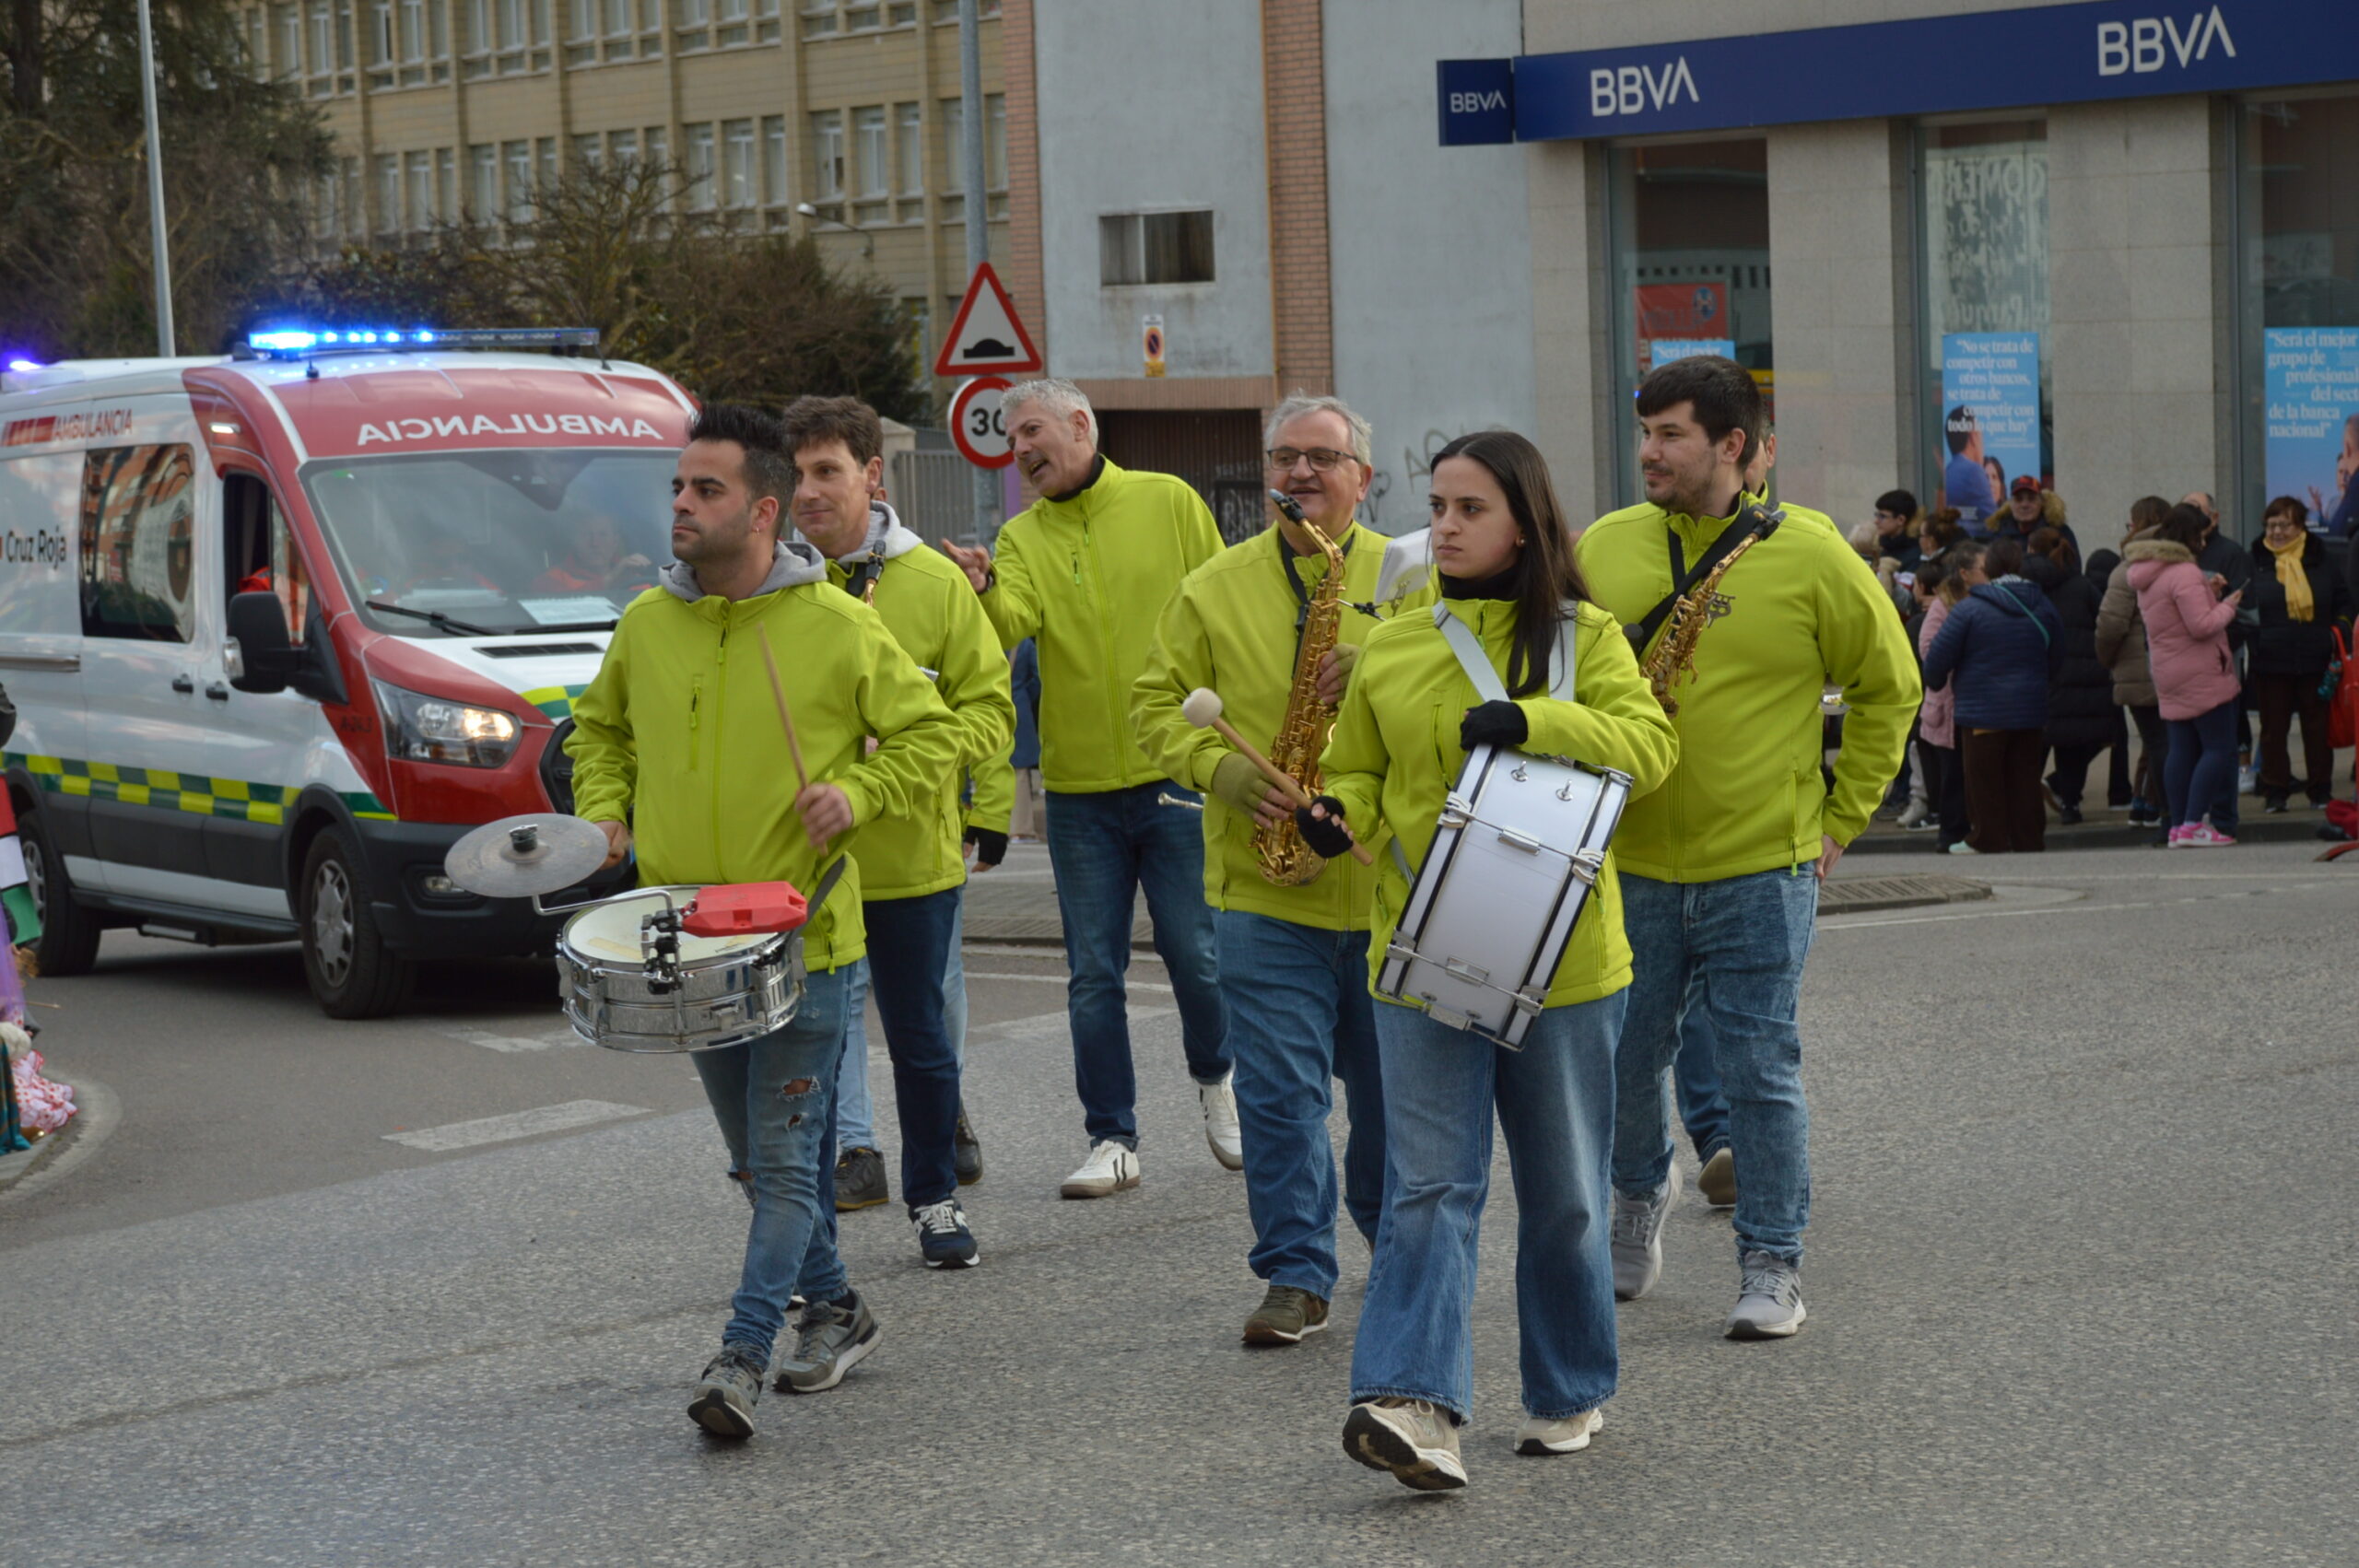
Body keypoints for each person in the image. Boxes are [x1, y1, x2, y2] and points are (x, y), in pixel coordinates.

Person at [1291, 428, 1675, 1491]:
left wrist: (1534, 719)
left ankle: (1568, 1386)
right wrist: (1338, 813)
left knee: (1563, 1195)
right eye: (1438, 507)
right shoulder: (1398, 642)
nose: (1445, 528)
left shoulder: (1588, 638)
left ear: (1522, 519)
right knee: (1429, 1186)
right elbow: (1359, 773)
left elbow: (1649, 748)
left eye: (1469, 509)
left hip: (1563, 960)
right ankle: (1411, 1403)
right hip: (1424, 948)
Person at [568, 404, 962, 1439]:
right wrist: (603, 808)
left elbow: (936, 736)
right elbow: (598, 731)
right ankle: (837, 1306)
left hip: (805, 940)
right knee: (753, 1162)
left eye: (707, 490)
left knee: (788, 1166)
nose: (683, 507)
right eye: (678, 488)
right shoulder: (649, 623)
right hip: (686, 938)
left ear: (764, 509)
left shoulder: (834, 622)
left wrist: (860, 797)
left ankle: (739, 1356)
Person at [1579, 355, 1919, 1340]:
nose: (1648, 451)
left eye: (1670, 433)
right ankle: (1640, 1195)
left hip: (1761, 864)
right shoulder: (1606, 547)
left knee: (1758, 1065)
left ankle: (1772, 1260)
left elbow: (1888, 688)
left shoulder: (1812, 554)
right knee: (1623, 1056)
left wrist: (1839, 819)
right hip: (1627, 861)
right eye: (1643, 431)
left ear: (1731, 444)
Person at [1133, 393, 1419, 1348]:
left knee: (1389, 1099)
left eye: (1322, 459)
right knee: (1277, 1092)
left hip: (1388, 888)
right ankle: (1296, 1274)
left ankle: (1401, 1253)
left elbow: (1470, 686)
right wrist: (1216, 770)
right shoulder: (1210, 586)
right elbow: (1152, 708)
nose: (1299, 474)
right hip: (1263, 887)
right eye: (1284, 457)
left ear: (1362, 478)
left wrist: (1372, 658)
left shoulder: (1415, 578)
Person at [938, 379, 1238, 1198]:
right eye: (1009, 441)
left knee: (1196, 956)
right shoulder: (1022, 534)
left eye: (1030, 429)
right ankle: (1112, 1138)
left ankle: (1219, 1084)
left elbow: (1223, 604)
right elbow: (1011, 626)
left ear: (1080, 424)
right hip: (1078, 791)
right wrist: (983, 589)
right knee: (1093, 974)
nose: (1020, 450)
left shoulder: (1168, 501)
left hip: (1174, 770)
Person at [779, 395, 1015, 1267]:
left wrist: (958, 791)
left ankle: (935, 1199)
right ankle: (817, 1213)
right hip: (800, 865)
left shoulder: (935, 582)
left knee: (918, 1035)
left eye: (827, 471)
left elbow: (990, 712)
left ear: (872, 475)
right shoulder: (770, 586)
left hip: (910, 855)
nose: (807, 492)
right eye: (795, 473)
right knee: (809, 1041)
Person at [1922, 538, 2064, 855]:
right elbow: (2057, 656)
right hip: (2030, 709)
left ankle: (1988, 838)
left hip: (1981, 711)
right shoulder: (2042, 605)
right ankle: (2029, 840)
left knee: (1984, 780)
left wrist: (1934, 682)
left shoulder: (1969, 609)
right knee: (2026, 778)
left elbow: (1937, 661)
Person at [2127, 504, 2243, 848]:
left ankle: (2178, 825)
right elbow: (2202, 625)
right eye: (2200, 536)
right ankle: (2194, 824)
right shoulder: (2185, 572)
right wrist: (2229, 605)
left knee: (2180, 749)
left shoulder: (2149, 571)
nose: (2204, 544)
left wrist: (2211, 594)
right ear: (2188, 536)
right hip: (2200, 670)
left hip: (2167, 670)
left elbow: (2175, 617)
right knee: (2219, 748)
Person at [2248, 497, 2354, 811]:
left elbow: (2344, 602)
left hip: (2316, 658)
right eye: (2271, 525)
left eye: (2284, 525)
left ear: (2300, 527)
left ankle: (2320, 790)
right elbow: (2241, 606)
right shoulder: (2254, 560)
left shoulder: (2322, 559)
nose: (2277, 531)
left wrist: (2336, 633)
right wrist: (2257, 638)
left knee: (2317, 728)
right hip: (2270, 660)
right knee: (2273, 730)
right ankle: (2275, 792)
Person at [2021, 528, 2113, 825]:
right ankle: (2071, 805)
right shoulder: (2082, 585)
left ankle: (2024, 809)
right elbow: (2104, 621)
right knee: (2072, 747)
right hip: (2080, 678)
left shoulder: (2024, 586)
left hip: (2035, 675)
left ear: (2031, 550)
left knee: (2032, 748)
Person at [2096, 497, 2173, 831]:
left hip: (2138, 667)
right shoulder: (2180, 561)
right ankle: (2167, 808)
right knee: (2171, 741)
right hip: (2175, 665)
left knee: (2156, 743)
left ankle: (2166, 810)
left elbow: (2110, 624)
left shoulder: (2129, 567)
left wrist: (2107, 659)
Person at [1914, 552, 1973, 850]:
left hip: (1971, 701)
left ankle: (1964, 832)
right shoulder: (1943, 604)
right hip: (1946, 704)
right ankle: (1950, 835)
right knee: (1951, 776)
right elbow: (1928, 649)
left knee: (1967, 773)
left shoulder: (1982, 600)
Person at [536, 513, 655, 597]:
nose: (595, 543)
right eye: (586, 535)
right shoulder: (552, 579)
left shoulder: (632, 577)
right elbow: (565, 609)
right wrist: (611, 580)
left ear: (615, 542)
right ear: (574, 542)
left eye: (603, 535)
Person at [2306, 413, 2359, 537]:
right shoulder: (2333, 503)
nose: (2344, 478)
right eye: (2340, 472)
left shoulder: (2355, 490)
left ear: (2347, 448)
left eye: (2346, 473)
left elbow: (2337, 537)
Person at [1942, 405, 1993, 528]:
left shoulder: (1948, 471)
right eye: (1981, 435)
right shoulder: (1973, 471)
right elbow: (1993, 521)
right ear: (1973, 436)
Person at [1873, 489, 1923, 572]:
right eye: (1877, 515)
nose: (1876, 521)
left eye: (1882, 516)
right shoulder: (1884, 546)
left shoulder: (1915, 555)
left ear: (1900, 520)